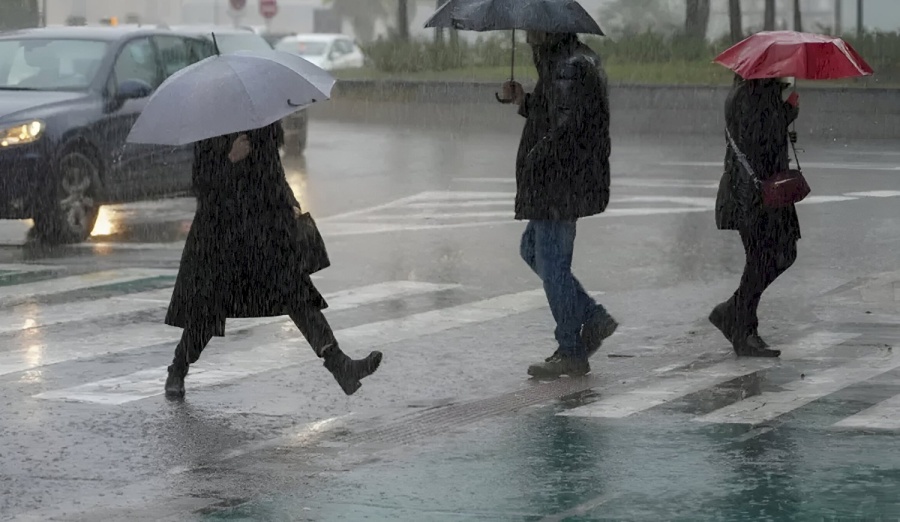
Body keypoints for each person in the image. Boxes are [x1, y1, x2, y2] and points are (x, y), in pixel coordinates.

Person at [163, 121, 382, 398]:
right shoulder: (211, 127)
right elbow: (201, 185)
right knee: (208, 308)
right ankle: (178, 369)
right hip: (220, 235)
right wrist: (230, 159)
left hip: (264, 230)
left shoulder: (261, 122)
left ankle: (341, 366)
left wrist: (289, 200)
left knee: (296, 295)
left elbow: (272, 172)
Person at [501, 31, 618, 378]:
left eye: (531, 26)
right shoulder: (567, 62)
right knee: (532, 250)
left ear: (547, 28)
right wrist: (524, 100)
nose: (525, 33)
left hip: (557, 182)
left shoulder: (567, 66)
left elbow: (564, 128)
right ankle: (592, 318)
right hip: (562, 180)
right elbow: (557, 112)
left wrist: (536, 158)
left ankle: (571, 348)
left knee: (552, 264)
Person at [710, 75, 801, 358]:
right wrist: (785, 115)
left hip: (768, 191)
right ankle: (743, 328)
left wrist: (783, 115)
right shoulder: (748, 96)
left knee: (782, 254)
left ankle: (734, 315)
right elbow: (756, 142)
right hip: (751, 193)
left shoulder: (760, 94)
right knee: (763, 258)